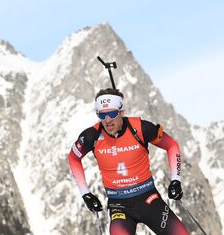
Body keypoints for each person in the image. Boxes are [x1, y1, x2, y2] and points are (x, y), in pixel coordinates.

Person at [68, 88, 190, 235]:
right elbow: (73, 158)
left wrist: (175, 180)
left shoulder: (141, 129)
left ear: (121, 112)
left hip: (149, 199)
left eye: (112, 114)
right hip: (119, 206)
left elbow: (171, 145)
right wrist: (85, 193)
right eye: (102, 115)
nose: (107, 120)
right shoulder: (91, 136)